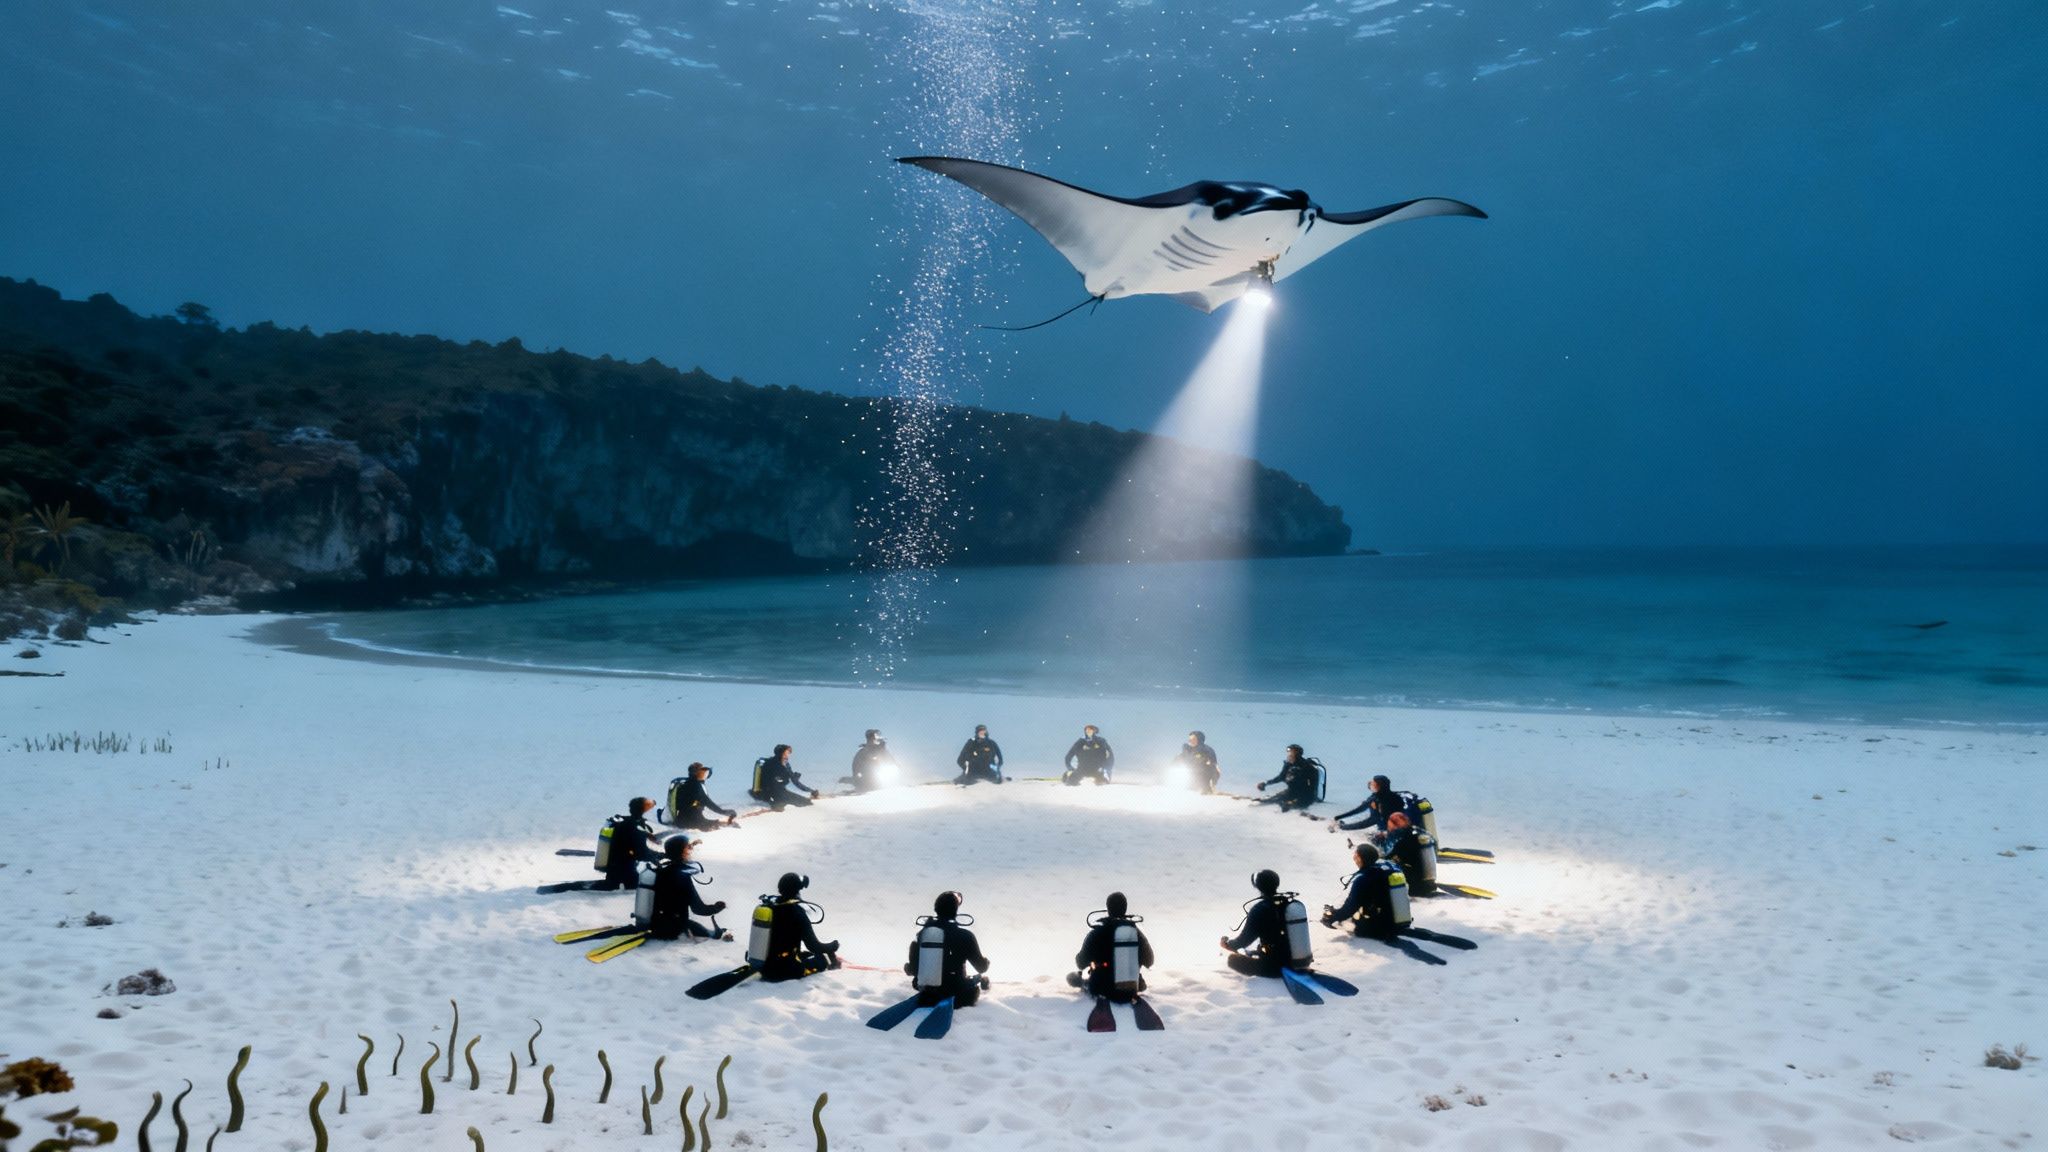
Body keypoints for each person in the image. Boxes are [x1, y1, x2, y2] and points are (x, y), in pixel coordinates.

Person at [906, 890, 992, 1006]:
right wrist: (986, 962)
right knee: (974, 982)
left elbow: (912, 969)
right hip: (958, 993)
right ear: (955, 911)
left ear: (936, 909)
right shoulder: (965, 935)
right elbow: (981, 967)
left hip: (926, 991)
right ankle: (980, 981)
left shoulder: (923, 934)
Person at [1219, 869, 1309, 977]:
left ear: (1258, 886)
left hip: (1274, 968)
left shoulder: (1260, 909)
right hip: (1298, 962)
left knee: (1232, 960)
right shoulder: (1287, 903)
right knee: (1256, 951)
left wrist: (1227, 944)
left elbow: (1243, 941)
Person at [751, 872, 840, 981]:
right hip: (784, 970)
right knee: (821, 960)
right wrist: (833, 946)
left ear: (780, 889)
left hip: (765, 965)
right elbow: (814, 946)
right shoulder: (797, 912)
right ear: (797, 891)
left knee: (804, 955)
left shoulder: (770, 906)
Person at [1068, 891, 1154, 1001]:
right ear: (1125, 908)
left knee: (1071, 977)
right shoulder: (1136, 933)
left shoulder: (1097, 933)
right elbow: (1150, 961)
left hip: (1103, 988)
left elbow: (1080, 963)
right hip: (1131, 989)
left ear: (1108, 909)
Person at [1321, 842, 1410, 940]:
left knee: (1351, 922)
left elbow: (1350, 908)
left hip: (1381, 928)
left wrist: (1332, 918)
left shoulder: (1364, 878)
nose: (1354, 856)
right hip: (1399, 921)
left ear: (1359, 858)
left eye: (1355, 854)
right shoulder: (1389, 866)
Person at [647, 837, 730, 941]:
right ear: (681, 852)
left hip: (655, 924)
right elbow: (698, 909)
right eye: (688, 847)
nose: (691, 849)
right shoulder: (682, 876)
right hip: (672, 929)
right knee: (713, 935)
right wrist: (718, 907)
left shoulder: (663, 871)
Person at [599, 797, 658, 890]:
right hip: (625, 869)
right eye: (650, 807)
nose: (652, 810)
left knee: (611, 888)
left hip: (614, 868)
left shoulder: (626, 822)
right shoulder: (634, 826)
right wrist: (658, 856)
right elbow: (640, 852)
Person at [1379, 811, 1438, 897]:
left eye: (1390, 825)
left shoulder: (1402, 842)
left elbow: (1386, 857)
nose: (1389, 828)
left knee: (1387, 866)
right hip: (1430, 882)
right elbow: (1435, 844)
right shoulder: (1419, 832)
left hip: (1416, 889)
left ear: (1394, 825)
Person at [667, 762, 739, 831]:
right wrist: (724, 812)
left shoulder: (683, 785)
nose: (704, 775)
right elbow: (708, 802)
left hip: (682, 821)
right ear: (696, 773)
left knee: (711, 823)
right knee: (718, 826)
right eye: (702, 772)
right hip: (693, 822)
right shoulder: (695, 786)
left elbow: (681, 805)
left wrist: (695, 804)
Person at [1254, 745, 1321, 812]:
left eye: (1291, 753)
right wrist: (1265, 783)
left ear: (1297, 754)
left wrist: (1294, 802)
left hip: (1304, 796)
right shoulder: (1289, 765)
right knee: (1271, 801)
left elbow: (1312, 790)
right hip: (1291, 792)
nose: (1289, 755)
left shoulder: (1307, 767)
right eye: (1288, 753)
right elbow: (1280, 777)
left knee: (1284, 806)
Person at [1329, 774, 1403, 834]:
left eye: (1373, 783)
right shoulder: (1396, 796)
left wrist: (1342, 825)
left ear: (1378, 787)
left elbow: (1363, 818)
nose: (1370, 784)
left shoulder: (1375, 800)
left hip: (1387, 830)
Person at [751, 744, 818, 808]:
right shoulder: (771, 764)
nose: (788, 755)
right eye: (786, 753)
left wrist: (811, 791)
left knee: (806, 802)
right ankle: (776, 804)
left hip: (780, 791)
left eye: (788, 753)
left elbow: (794, 782)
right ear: (781, 753)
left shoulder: (786, 764)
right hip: (770, 793)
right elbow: (768, 782)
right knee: (804, 803)